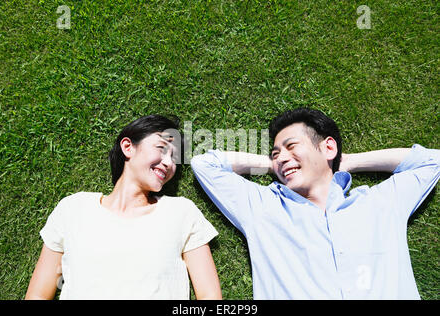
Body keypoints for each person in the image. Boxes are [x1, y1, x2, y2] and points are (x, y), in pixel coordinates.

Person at [191, 107, 439, 299]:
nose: (281, 158)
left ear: (328, 147)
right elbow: (205, 165)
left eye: (291, 146)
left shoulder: (381, 203)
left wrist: (346, 160)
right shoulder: (263, 208)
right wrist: (279, 165)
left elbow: (431, 161)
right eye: (276, 153)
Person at [26, 115, 222, 300]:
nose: (169, 163)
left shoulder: (182, 212)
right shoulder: (73, 209)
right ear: (128, 147)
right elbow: (38, 294)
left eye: (174, 158)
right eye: (162, 149)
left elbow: (209, 296)